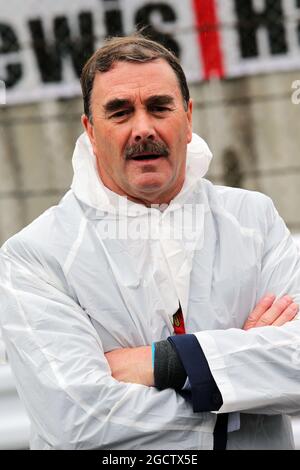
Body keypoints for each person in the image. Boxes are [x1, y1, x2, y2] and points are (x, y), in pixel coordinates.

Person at [0, 34, 300, 451]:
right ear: (89, 131)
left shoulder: (254, 219)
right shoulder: (34, 256)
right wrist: (238, 382)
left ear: (189, 118)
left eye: (159, 107)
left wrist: (164, 363)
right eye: (120, 112)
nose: (143, 129)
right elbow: (77, 421)